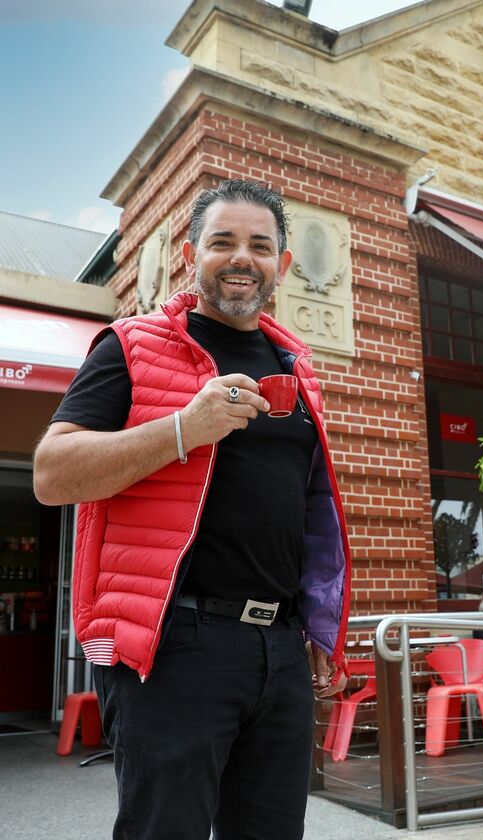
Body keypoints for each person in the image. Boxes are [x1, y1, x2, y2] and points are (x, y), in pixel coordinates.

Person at [33, 179, 351, 840]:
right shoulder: (131, 345)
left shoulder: (297, 366)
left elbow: (310, 512)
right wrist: (183, 428)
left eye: (260, 246)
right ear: (189, 255)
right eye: (222, 242)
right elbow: (52, 473)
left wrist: (318, 624)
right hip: (175, 647)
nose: (242, 258)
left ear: (283, 266)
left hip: (280, 649)